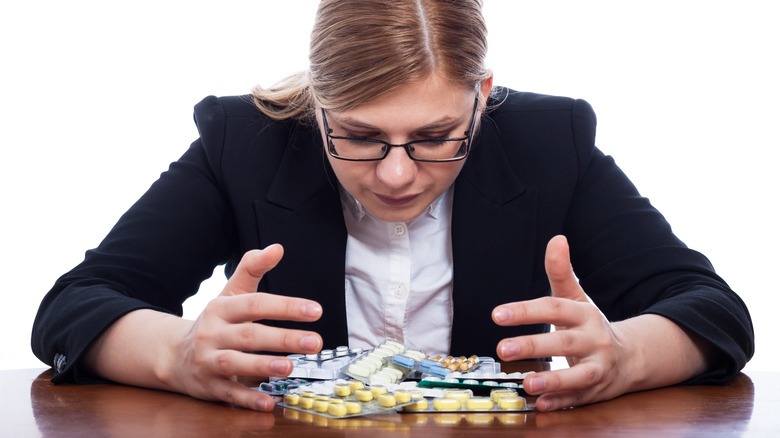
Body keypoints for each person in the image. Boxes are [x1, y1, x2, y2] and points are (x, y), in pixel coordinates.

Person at [31, 0, 753, 413]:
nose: (399, 174)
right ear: (317, 107)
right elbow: (74, 308)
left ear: (482, 96)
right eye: (358, 137)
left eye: (438, 137)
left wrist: (625, 357)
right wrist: (177, 355)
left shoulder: (548, 142)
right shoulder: (243, 143)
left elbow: (713, 312)